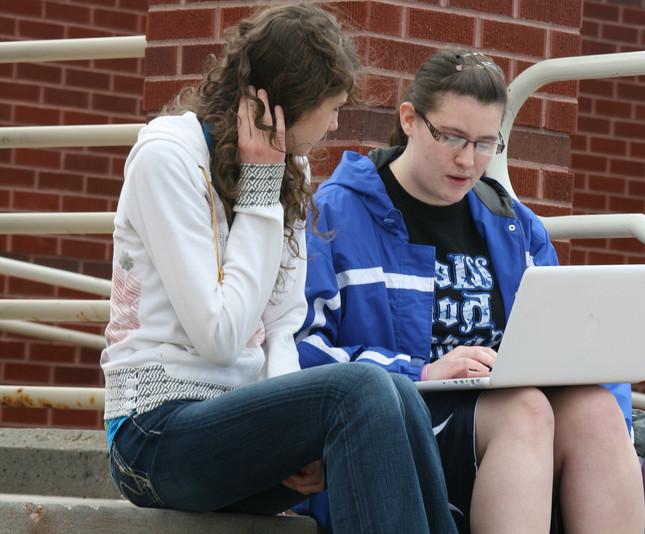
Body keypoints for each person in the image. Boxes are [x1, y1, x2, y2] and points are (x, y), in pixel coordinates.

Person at [100, 5, 457, 533]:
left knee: (398, 395)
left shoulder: (288, 167)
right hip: (154, 436)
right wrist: (261, 187)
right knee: (360, 390)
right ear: (286, 105)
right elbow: (220, 335)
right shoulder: (168, 160)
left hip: (244, 425)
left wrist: (296, 435)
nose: (336, 124)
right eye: (331, 108)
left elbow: (284, 322)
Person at [297, 48, 645, 533]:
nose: (468, 160)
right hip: (399, 427)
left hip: (510, 431)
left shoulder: (513, 226)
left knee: (597, 411)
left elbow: (576, 353)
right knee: (525, 410)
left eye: (486, 144)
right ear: (410, 120)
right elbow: (300, 354)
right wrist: (423, 371)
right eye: (452, 138)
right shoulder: (334, 216)